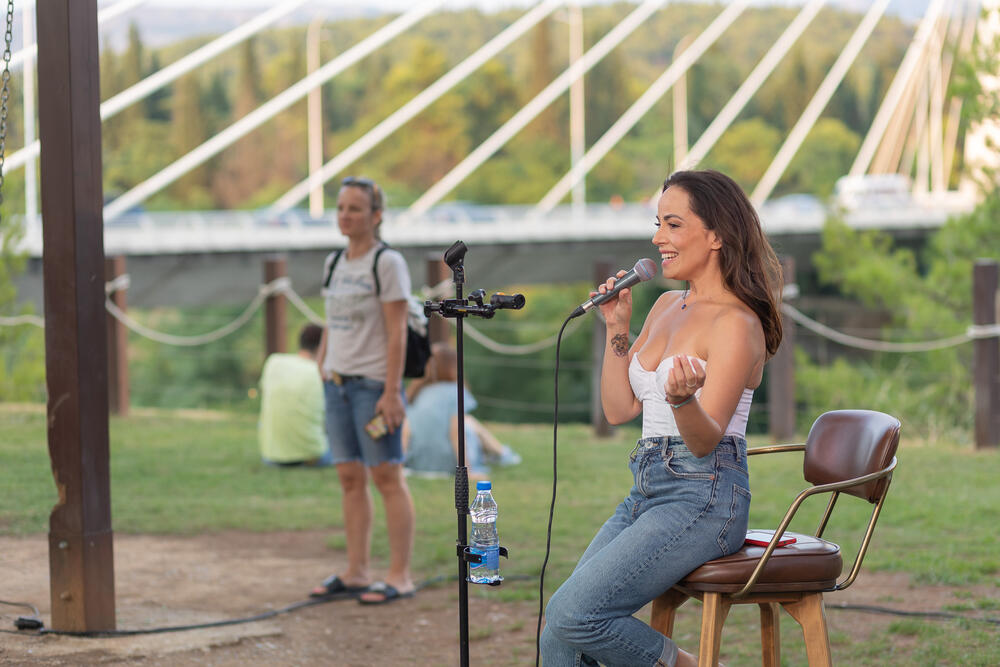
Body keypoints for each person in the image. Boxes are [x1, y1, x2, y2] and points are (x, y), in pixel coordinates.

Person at [540, 169, 783, 666]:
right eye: (658, 223)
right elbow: (619, 408)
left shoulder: (736, 323)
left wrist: (682, 402)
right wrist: (617, 329)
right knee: (558, 633)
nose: (657, 238)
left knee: (574, 614)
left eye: (673, 224)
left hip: (705, 496)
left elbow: (704, 441)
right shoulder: (668, 305)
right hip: (647, 489)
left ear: (716, 235)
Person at [310, 176, 416, 606]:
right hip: (337, 385)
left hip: (372, 389)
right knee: (349, 478)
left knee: (386, 475)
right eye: (340, 208)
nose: (345, 216)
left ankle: (399, 575)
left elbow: (397, 333)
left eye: (354, 209)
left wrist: (391, 393)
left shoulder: (387, 263)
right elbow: (331, 320)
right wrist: (322, 365)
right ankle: (356, 572)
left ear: (376, 216)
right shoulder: (334, 261)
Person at [402, 343, 520, 479]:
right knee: (468, 422)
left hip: (418, 462)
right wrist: (467, 471)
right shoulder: (456, 392)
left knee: (465, 421)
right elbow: (456, 432)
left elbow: (406, 430)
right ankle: (501, 454)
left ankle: (499, 453)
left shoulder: (417, 394)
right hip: (450, 463)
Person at [258, 323, 332, 467]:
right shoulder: (321, 374)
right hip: (313, 458)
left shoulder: (274, 362)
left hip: (271, 458)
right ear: (322, 347)